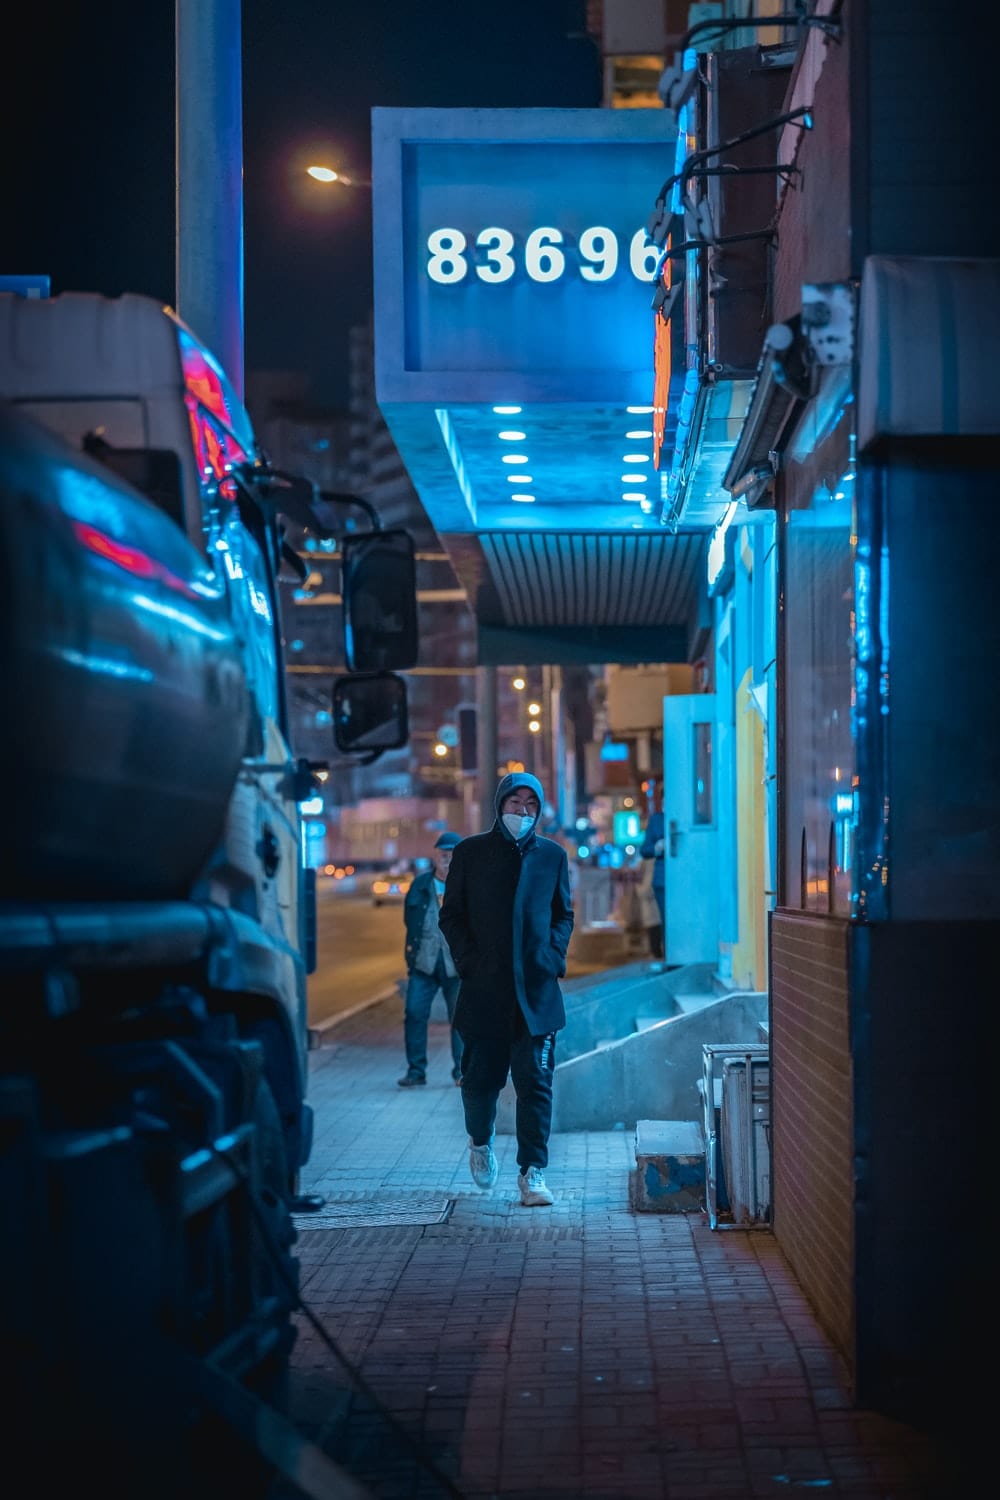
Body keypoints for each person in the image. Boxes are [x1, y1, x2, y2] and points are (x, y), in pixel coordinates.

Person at [439, 771, 574, 1207]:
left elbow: (562, 914)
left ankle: (533, 1173)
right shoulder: (471, 853)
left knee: (535, 1084)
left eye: (530, 805)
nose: (522, 812)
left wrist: (552, 956)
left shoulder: (552, 856)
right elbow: (452, 916)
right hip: (485, 994)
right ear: (500, 806)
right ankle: (480, 1142)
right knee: (480, 1083)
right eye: (515, 803)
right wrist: (470, 964)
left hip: (535, 996)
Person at [397, 831, 464, 1088]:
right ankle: (416, 1071)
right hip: (423, 963)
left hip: (456, 965)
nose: (447, 859)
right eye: (443, 854)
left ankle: (461, 1071)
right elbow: (409, 920)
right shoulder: (420, 884)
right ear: (435, 856)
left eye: (453, 855)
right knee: (414, 1013)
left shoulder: (467, 886)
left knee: (460, 1019)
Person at [639, 778, 667, 973]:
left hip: (682, 878)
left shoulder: (685, 818)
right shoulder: (657, 820)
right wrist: (657, 847)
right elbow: (645, 849)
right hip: (661, 878)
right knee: (665, 918)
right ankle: (669, 955)